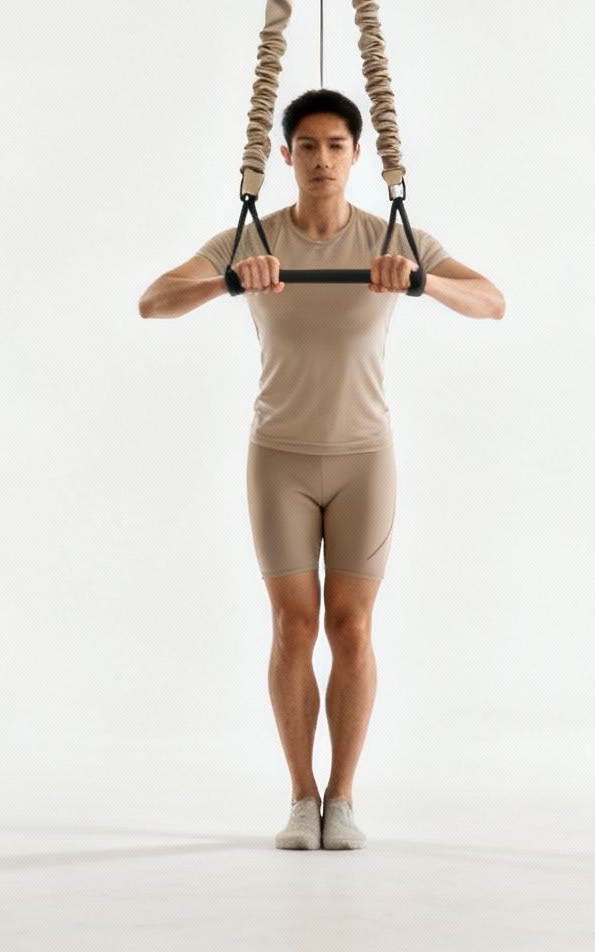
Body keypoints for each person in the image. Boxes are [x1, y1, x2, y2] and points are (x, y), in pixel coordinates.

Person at [137, 88, 506, 851]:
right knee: (294, 624)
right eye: (307, 147)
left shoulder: (390, 238)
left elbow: (492, 300)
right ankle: (301, 799)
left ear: (356, 156)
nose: (322, 160)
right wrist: (228, 281)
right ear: (285, 157)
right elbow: (153, 301)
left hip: (364, 457)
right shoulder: (254, 240)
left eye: (336, 146)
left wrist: (422, 282)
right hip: (280, 458)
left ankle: (343, 799)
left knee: (352, 626)